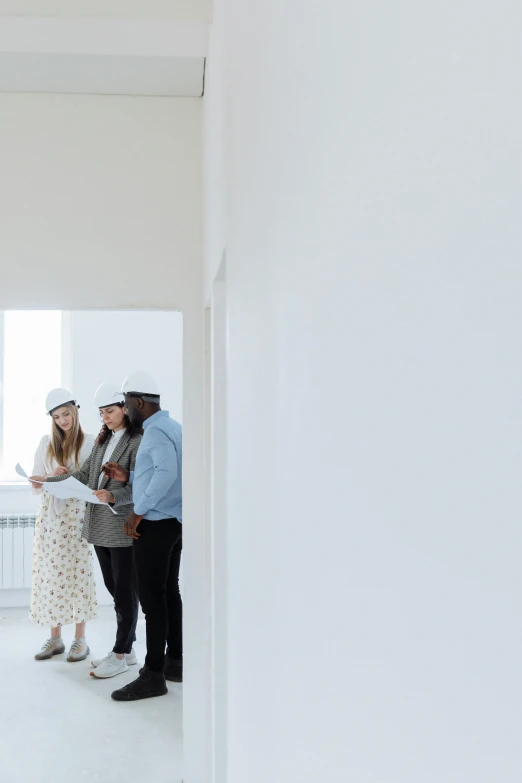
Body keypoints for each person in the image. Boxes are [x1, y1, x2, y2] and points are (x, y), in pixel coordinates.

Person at [43, 383, 142, 679]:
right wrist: (49, 480)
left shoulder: (137, 441)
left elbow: (141, 485)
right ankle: (130, 649)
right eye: (101, 413)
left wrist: (114, 496)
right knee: (115, 590)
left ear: (125, 408)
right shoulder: (103, 440)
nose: (106, 418)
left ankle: (121, 652)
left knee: (125, 593)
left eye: (110, 411)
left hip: (122, 525)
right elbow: (85, 475)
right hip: (99, 527)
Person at [104, 371, 182, 702]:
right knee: (168, 593)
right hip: (174, 522)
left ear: (138, 402)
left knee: (152, 600)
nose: (124, 409)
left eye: (124, 403)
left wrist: (138, 510)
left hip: (155, 524)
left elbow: (167, 473)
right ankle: (175, 661)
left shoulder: (154, 432)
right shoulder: (172, 427)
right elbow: (161, 470)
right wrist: (129, 474)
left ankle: (152, 675)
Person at [30, 388, 97, 662]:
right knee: (50, 575)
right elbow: (35, 483)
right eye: (57, 416)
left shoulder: (89, 442)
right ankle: (55, 638)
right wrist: (49, 476)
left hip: (77, 516)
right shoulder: (46, 442)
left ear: (75, 411)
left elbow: (93, 482)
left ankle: (80, 640)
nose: (62, 420)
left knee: (78, 574)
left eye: (66, 414)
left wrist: (69, 477)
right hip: (50, 519)